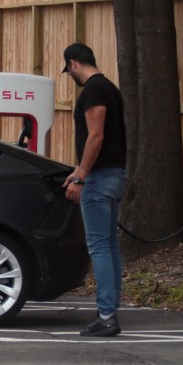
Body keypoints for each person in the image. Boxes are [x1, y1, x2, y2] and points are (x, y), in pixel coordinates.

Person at [61, 43, 128, 337]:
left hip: (100, 179)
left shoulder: (93, 91)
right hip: (115, 174)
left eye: (69, 70)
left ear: (74, 63)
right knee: (110, 245)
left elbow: (96, 137)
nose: (70, 75)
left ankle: (106, 315)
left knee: (99, 246)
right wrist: (78, 170)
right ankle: (110, 310)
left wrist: (81, 177)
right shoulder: (110, 87)